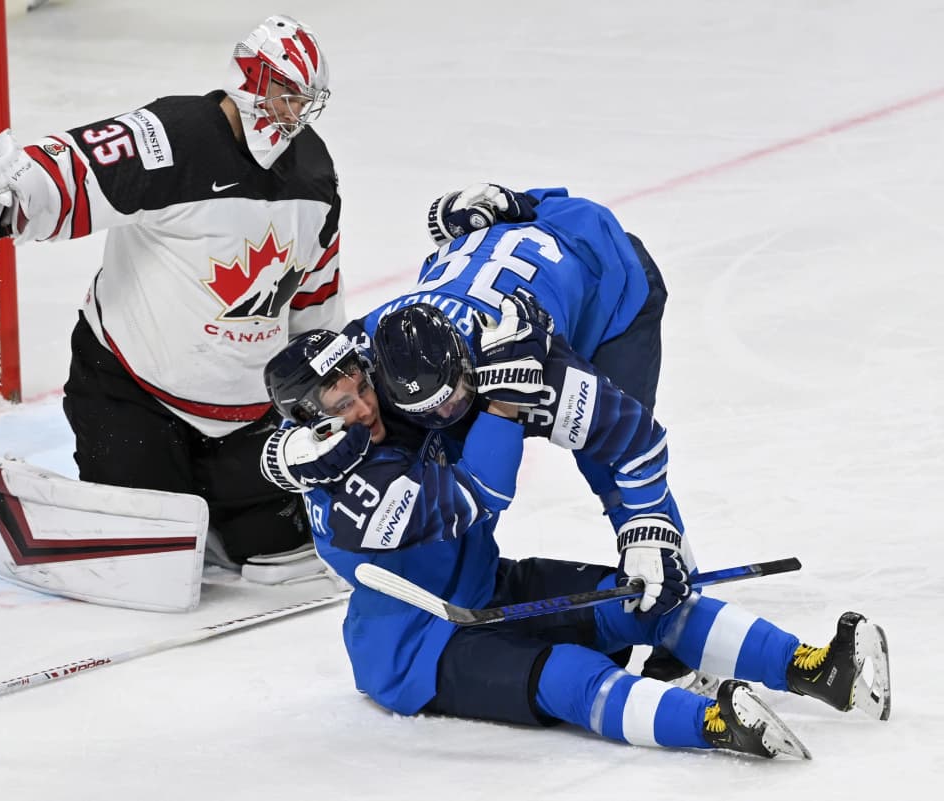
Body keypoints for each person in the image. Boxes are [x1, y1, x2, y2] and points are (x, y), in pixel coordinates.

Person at [258, 307, 891, 758]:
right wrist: (504, 402)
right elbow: (479, 494)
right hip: (414, 651)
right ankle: (716, 723)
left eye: (361, 388)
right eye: (340, 406)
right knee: (565, 675)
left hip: (486, 588)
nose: (364, 408)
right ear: (306, 419)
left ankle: (813, 669)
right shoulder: (347, 492)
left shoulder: (358, 412)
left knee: (648, 598)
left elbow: (389, 340)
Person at [0, 15, 344, 571]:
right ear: (251, 80)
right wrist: (14, 196)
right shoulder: (179, 134)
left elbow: (316, 285)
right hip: (136, 396)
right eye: (287, 95)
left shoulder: (313, 169)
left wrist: (319, 378)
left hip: (247, 413)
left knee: (281, 554)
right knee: (149, 559)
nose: (295, 113)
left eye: (306, 101)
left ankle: (207, 503)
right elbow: (84, 163)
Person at [267, 181, 691, 672]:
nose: (445, 417)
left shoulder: (535, 358)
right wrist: (283, 454)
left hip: (608, 281)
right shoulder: (364, 349)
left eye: (453, 400)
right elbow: (305, 390)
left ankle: (676, 610)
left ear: (472, 365)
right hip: (509, 256)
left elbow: (636, 443)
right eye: (429, 409)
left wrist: (647, 528)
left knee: (605, 464)